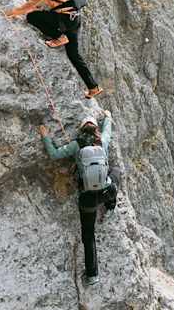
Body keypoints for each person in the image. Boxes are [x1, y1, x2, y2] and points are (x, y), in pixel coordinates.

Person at [39, 110, 118, 287]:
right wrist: (107, 116)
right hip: (107, 192)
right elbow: (108, 129)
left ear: (81, 129)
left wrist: (45, 136)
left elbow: (54, 154)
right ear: (95, 129)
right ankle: (111, 207)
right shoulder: (102, 141)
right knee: (116, 173)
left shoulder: (76, 144)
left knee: (88, 235)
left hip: (88, 198)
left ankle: (92, 275)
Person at [3, 0, 103, 98]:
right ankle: (93, 87)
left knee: (32, 16)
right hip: (74, 19)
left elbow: (33, 2)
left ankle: (59, 37)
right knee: (74, 55)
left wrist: (14, 12)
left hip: (65, 19)